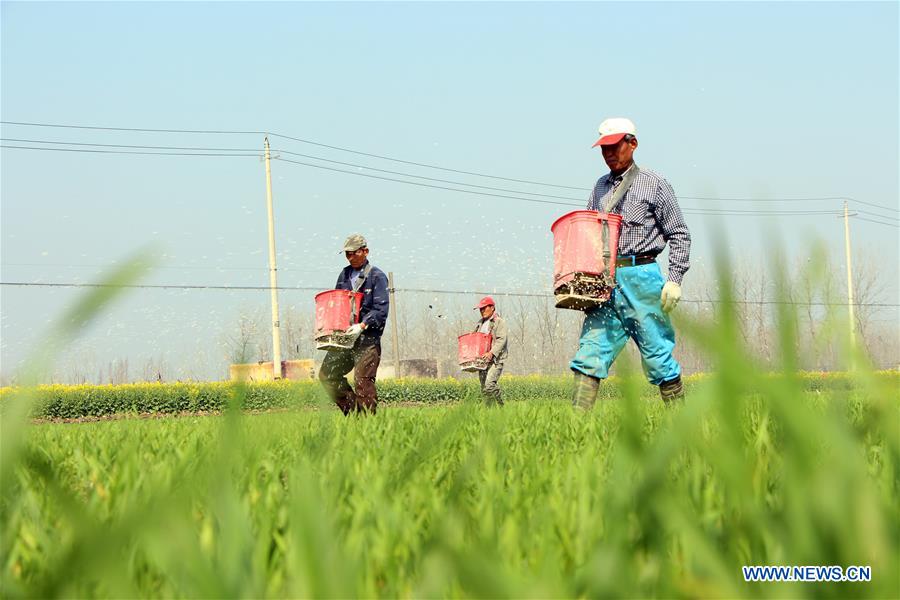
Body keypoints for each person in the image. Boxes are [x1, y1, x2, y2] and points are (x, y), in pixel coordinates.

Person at [570, 117, 691, 408]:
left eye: (614, 147)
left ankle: (681, 423)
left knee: (657, 354)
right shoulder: (599, 187)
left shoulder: (655, 183)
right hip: (606, 281)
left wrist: (674, 278)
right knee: (590, 352)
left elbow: (679, 234)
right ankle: (574, 428)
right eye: (604, 149)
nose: (609, 154)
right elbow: (588, 233)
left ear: (632, 143)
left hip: (643, 276)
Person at [318, 234, 390, 415]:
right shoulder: (344, 274)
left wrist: (362, 325)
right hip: (345, 339)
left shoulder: (377, 276)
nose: (350, 257)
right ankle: (355, 414)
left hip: (367, 340)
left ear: (365, 251)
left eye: (354, 253)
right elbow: (338, 302)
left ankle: (368, 426)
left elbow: (381, 310)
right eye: (347, 254)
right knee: (327, 375)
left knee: (363, 381)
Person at [472, 296, 508, 405]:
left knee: (489, 385)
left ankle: (500, 404)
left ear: (492, 307)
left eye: (484, 308)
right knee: (484, 389)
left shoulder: (499, 322)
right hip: (483, 360)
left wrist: (491, 353)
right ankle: (490, 410)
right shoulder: (480, 323)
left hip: (495, 360)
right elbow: (476, 339)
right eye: (480, 309)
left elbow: (502, 340)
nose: (482, 311)